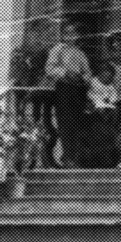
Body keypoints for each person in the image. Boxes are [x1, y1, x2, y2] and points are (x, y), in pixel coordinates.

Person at [43, 20, 92, 166]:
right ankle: (67, 156)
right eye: (67, 33)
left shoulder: (80, 53)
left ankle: (74, 157)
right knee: (65, 122)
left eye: (74, 33)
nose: (71, 36)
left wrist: (83, 78)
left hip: (78, 90)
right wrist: (65, 72)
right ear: (63, 35)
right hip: (63, 88)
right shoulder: (58, 49)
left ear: (77, 35)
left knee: (77, 123)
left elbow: (87, 72)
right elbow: (50, 68)